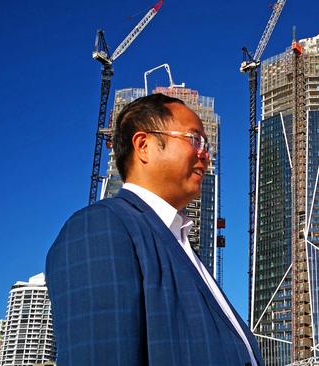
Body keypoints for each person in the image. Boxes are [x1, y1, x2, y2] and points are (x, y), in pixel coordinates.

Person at [46, 93, 264, 365]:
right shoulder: (102, 227)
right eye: (194, 139)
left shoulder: (181, 245)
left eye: (206, 144)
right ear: (144, 145)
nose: (206, 154)